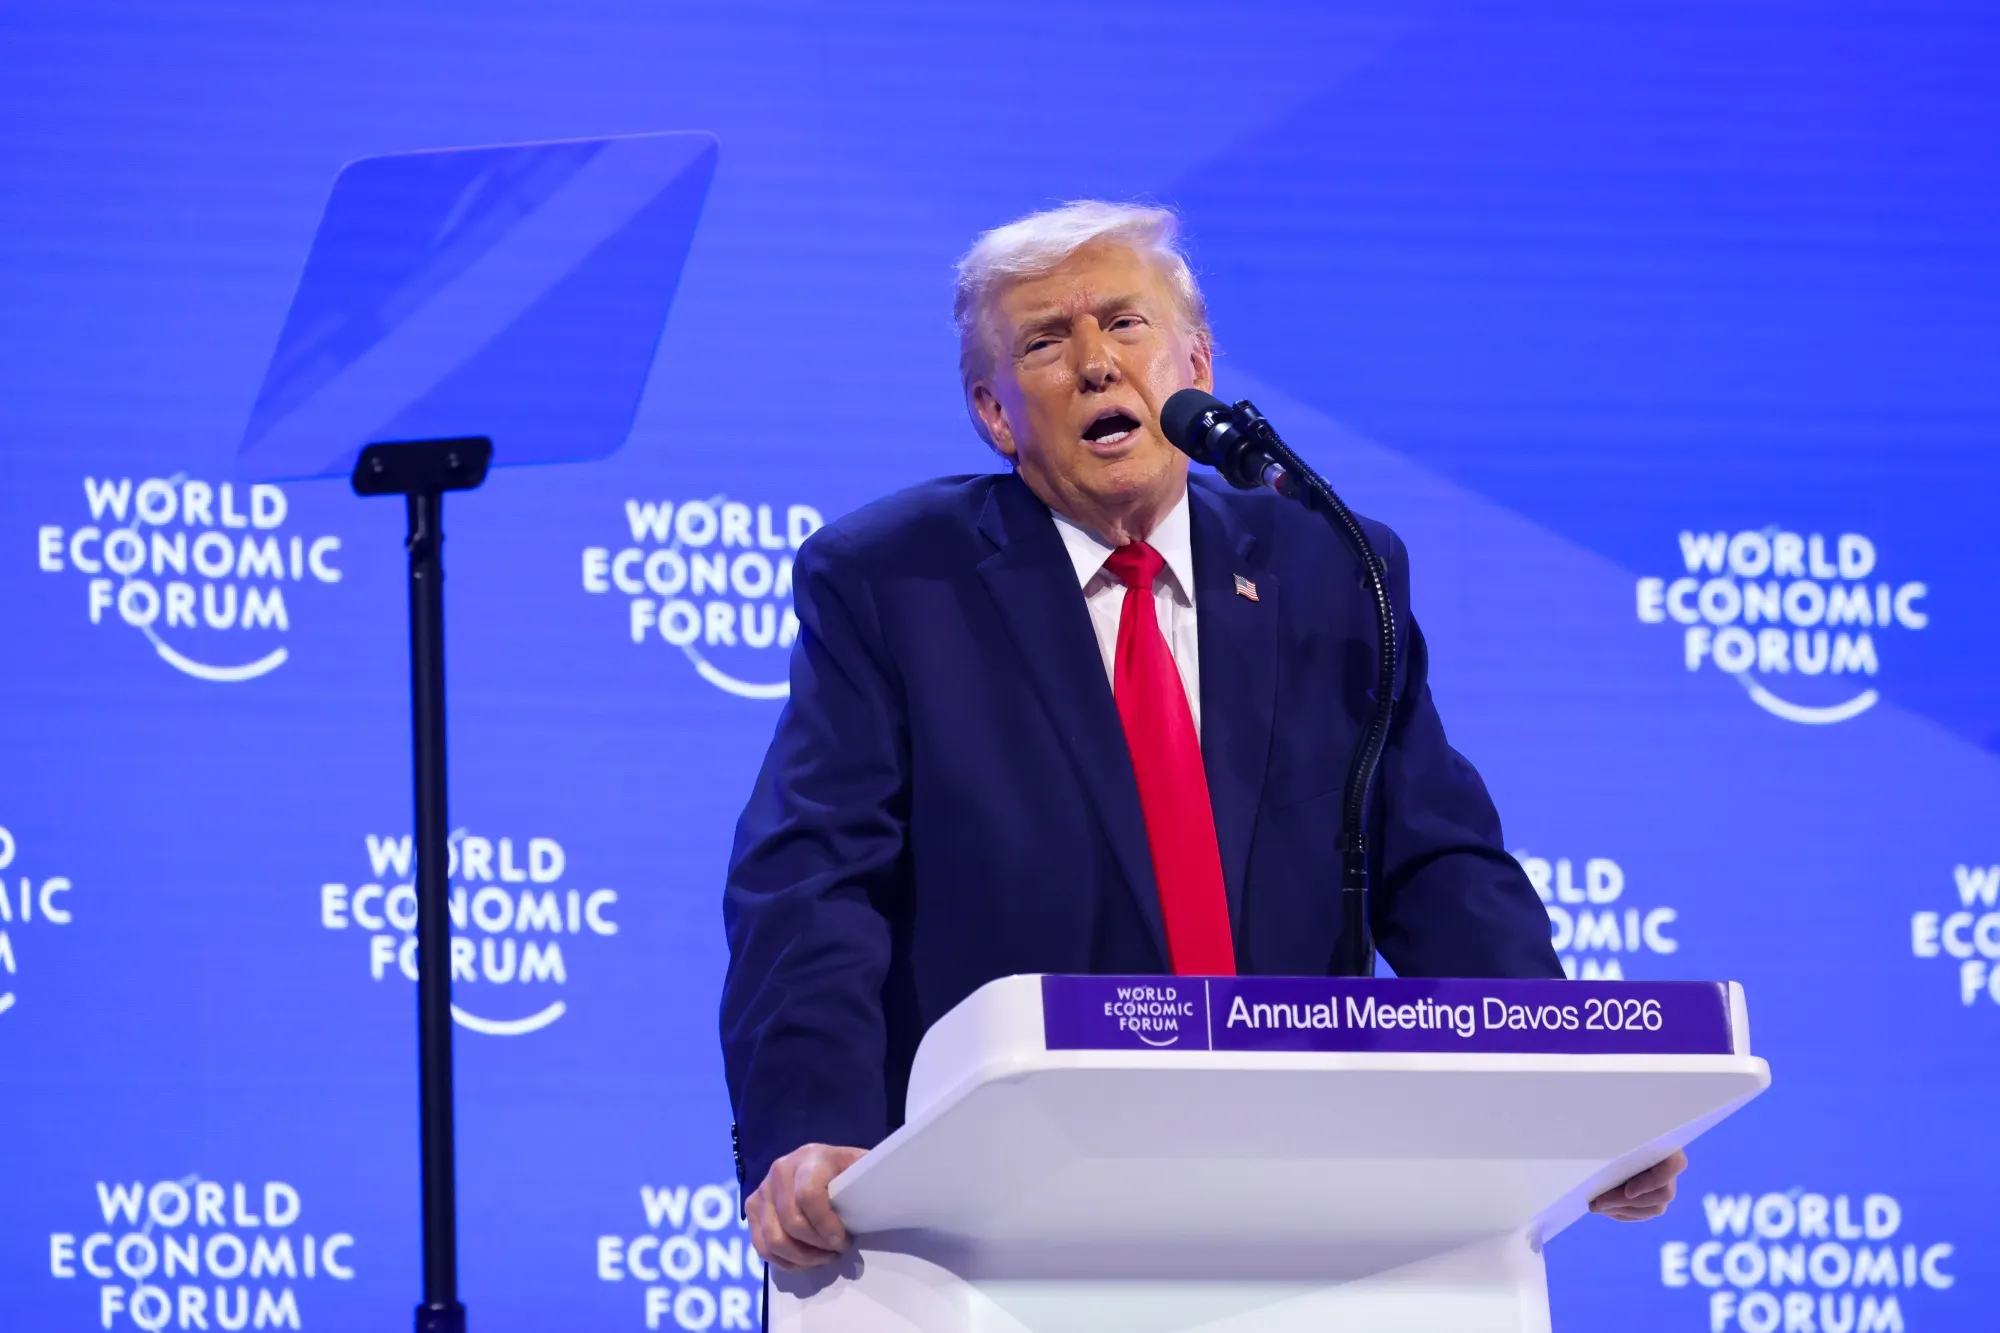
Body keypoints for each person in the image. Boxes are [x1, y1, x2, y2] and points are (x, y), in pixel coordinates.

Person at [720, 201, 1687, 1271]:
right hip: (1008, 1196)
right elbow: (812, 878)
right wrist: (809, 1127)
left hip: (1304, 1183)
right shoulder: (892, 580)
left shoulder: (1331, 565)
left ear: (1196, 363)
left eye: (1124, 325)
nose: (1095, 365)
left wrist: (1561, 1091)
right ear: (995, 413)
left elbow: (1433, 859)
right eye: (1045, 340)